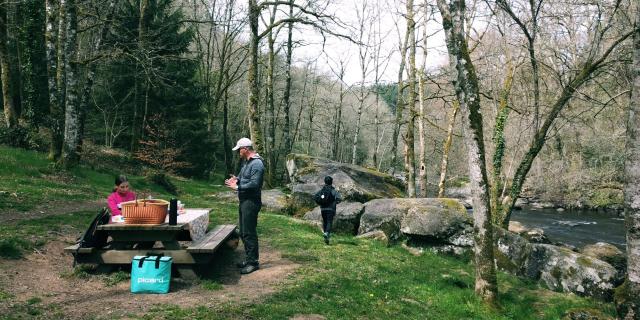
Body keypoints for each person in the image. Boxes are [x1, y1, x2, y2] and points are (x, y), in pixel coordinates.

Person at [225, 138, 265, 275]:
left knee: (249, 233)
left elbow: (255, 184)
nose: (238, 153)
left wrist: (237, 187)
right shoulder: (247, 163)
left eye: (239, 150)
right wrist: (234, 179)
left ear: (245, 149)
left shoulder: (257, 164)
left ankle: (253, 263)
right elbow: (242, 178)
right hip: (244, 201)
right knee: (243, 232)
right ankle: (249, 259)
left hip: (251, 202)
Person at [314, 176, 342, 244]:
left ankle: (326, 237)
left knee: (325, 222)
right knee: (329, 222)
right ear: (331, 182)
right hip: (330, 209)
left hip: (323, 209)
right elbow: (339, 199)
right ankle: (326, 234)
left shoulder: (322, 190)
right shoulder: (333, 191)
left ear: (325, 182)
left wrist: (321, 203)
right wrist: (334, 202)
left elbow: (315, 197)